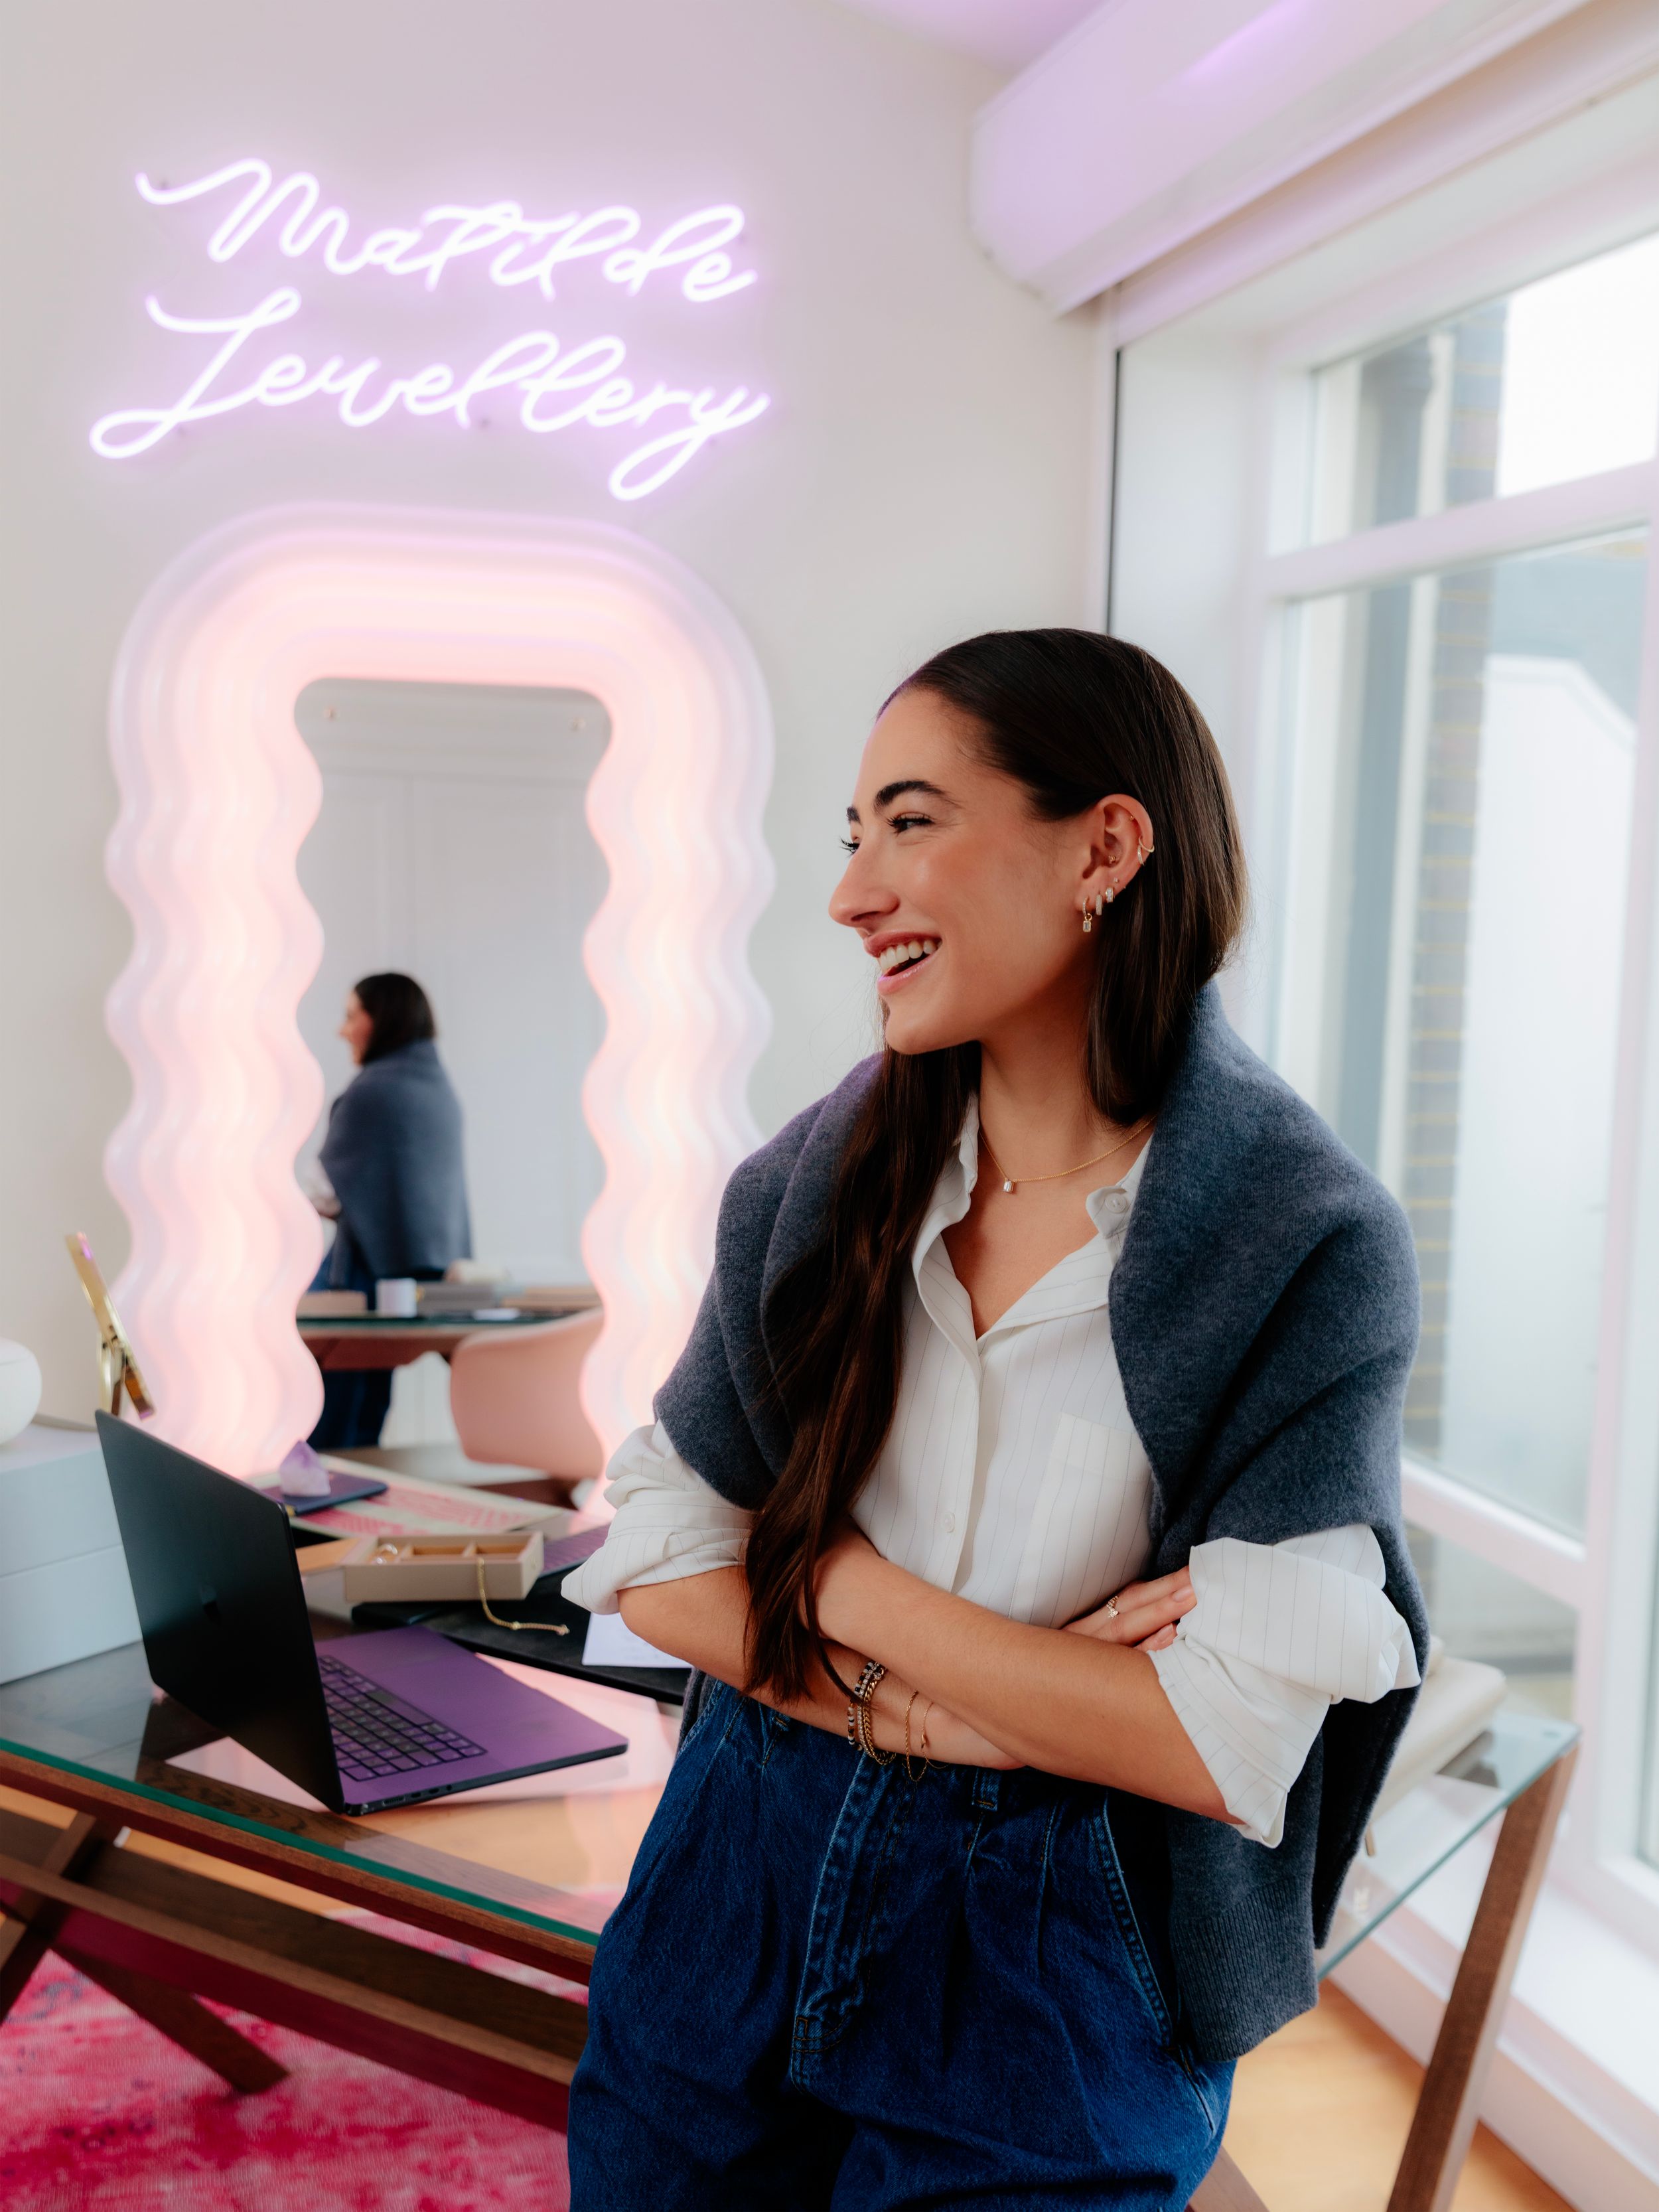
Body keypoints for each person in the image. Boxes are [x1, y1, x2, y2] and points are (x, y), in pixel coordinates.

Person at [563, 630, 1427, 2211]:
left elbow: (1213, 1740)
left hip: (1057, 1948)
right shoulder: (806, 1185)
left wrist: (827, 1575)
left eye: (909, 823)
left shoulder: (1302, 1242)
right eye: (853, 836)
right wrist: (983, 1704)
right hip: (734, 1875)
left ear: (1103, 847)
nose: (851, 894)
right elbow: (662, 1564)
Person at [307, 972, 472, 1451]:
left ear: (380, 1019)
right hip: (424, 1284)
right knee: (366, 1422)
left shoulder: (371, 1092)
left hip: (362, 1282)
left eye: (351, 1016)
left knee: (329, 1424)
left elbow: (325, 1192)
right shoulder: (440, 1090)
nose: (342, 1030)